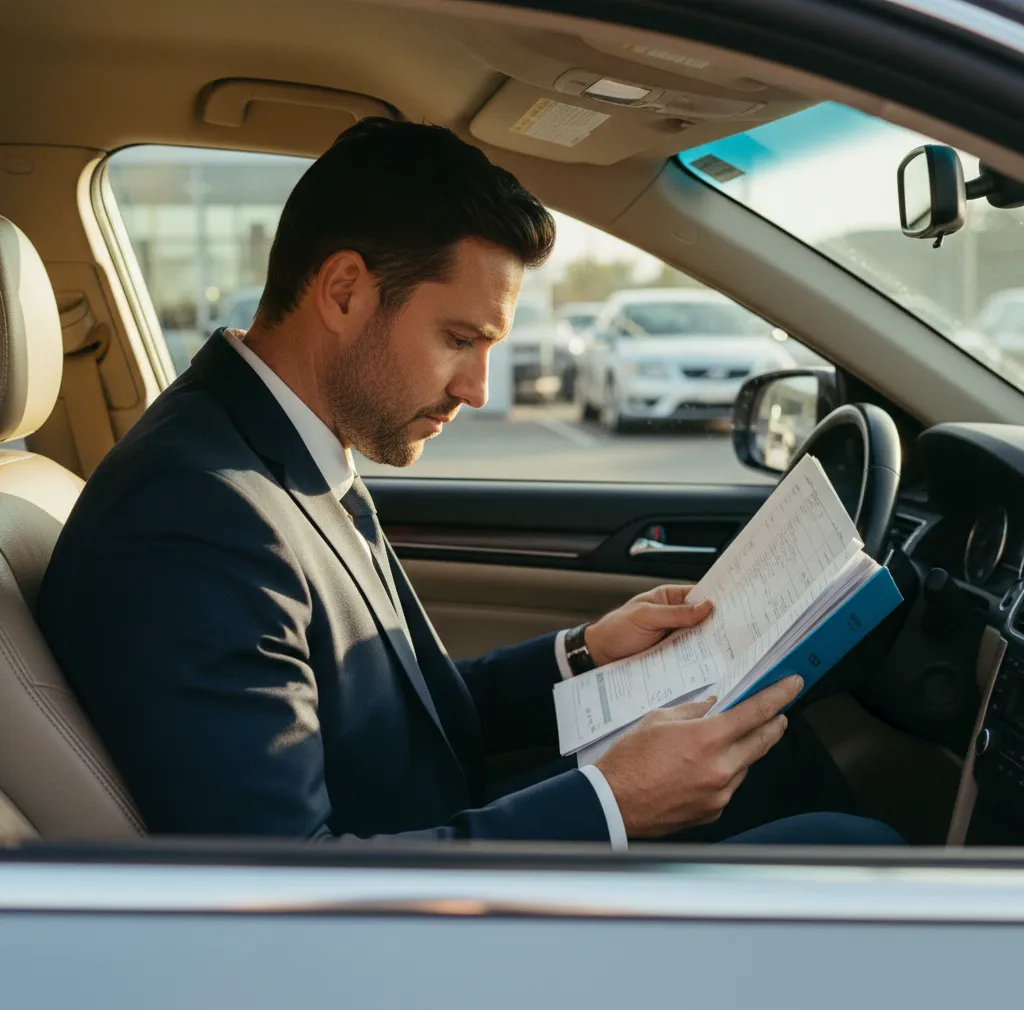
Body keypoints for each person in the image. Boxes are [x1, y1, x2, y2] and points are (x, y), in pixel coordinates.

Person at [37, 119, 899, 847]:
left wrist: (588, 651)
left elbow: (410, 714)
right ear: (343, 292)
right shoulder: (195, 513)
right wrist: (610, 805)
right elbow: (285, 893)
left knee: (773, 760)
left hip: (437, 851)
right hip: (429, 944)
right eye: (459, 338)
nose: (477, 389)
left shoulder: (275, 446)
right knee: (854, 852)